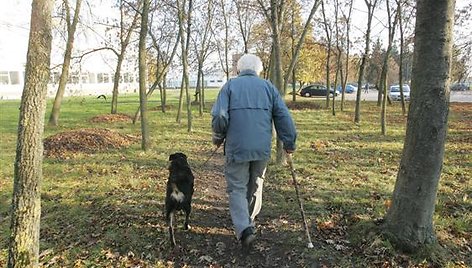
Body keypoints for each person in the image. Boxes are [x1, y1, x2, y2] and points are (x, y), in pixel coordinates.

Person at [211, 54, 297, 249]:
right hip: (261, 147)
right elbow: (283, 115)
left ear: (239, 69)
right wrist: (289, 141)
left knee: (237, 187)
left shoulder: (230, 87)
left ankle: (244, 228)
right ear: (258, 70)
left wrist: (218, 136)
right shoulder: (268, 88)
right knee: (256, 184)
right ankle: (249, 222)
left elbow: (219, 115)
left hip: (237, 147)